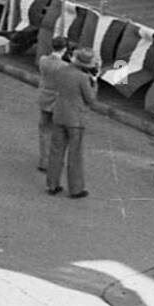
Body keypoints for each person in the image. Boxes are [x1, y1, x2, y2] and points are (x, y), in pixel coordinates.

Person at [45, 47, 98, 197]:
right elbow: (91, 99)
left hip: (59, 114)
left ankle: (52, 184)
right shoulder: (83, 78)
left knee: (56, 151)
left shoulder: (61, 71)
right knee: (75, 155)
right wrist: (94, 83)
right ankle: (76, 189)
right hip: (76, 119)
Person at [37, 36, 70, 175]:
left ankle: (43, 160)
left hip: (44, 97)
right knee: (57, 132)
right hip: (58, 101)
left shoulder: (43, 60)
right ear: (65, 49)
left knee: (44, 130)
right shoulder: (65, 66)